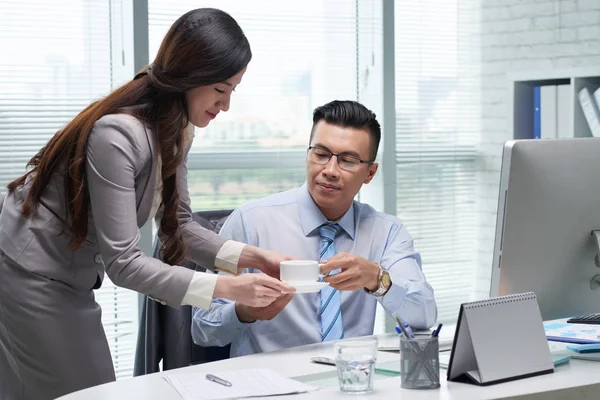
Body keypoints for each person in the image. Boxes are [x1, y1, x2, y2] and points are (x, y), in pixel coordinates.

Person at [0, 8, 294, 400]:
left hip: (66, 271)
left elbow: (180, 226)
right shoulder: (117, 134)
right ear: (190, 77)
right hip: (27, 271)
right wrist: (229, 288)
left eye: (232, 92)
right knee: (89, 392)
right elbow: (124, 263)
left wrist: (253, 257)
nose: (225, 107)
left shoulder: (176, 127)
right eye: (220, 91)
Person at [192, 100, 437, 358]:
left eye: (348, 160)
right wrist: (245, 312)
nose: (330, 171)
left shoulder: (386, 232)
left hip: (352, 382)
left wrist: (377, 279)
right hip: (270, 385)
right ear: (307, 155)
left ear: (370, 173)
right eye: (321, 155)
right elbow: (201, 327)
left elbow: (424, 316)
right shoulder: (251, 221)